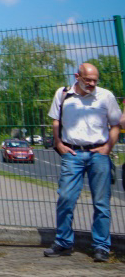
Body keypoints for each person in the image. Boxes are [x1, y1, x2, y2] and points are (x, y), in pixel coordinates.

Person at [44, 62, 121, 263]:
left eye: (95, 80)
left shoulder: (106, 96)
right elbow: (56, 120)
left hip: (99, 154)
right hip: (72, 154)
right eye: (88, 80)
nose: (92, 84)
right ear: (77, 77)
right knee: (66, 198)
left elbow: (116, 124)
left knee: (101, 202)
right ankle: (63, 241)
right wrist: (58, 143)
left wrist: (107, 148)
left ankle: (101, 246)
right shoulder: (63, 94)